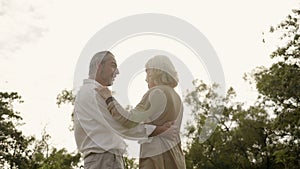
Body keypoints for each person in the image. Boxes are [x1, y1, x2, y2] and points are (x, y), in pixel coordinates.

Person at [74, 51, 174, 169]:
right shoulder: (94, 92)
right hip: (104, 160)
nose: (117, 72)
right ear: (99, 66)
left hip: (104, 159)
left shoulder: (91, 91)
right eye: (113, 65)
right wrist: (158, 130)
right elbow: (120, 125)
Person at [96, 55, 186, 169]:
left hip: (156, 160)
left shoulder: (156, 93)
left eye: (147, 73)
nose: (146, 79)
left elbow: (128, 120)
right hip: (176, 160)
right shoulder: (177, 98)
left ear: (156, 72)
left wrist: (109, 99)